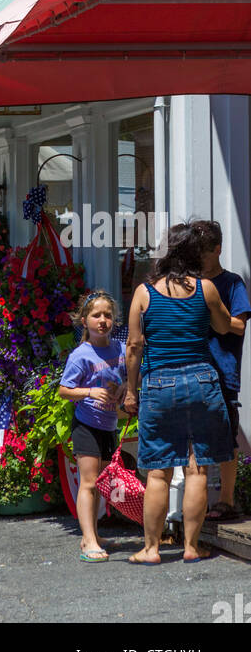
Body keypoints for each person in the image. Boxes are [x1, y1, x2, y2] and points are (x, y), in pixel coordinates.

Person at [125, 223, 234, 564]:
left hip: (159, 382)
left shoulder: (145, 293)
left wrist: (131, 391)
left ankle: (151, 549)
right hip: (202, 380)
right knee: (198, 469)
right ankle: (191, 547)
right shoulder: (206, 289)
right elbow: (222, 326)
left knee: (159, 472)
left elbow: (133, 346)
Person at [58, 290, 127, 561]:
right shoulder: (81, 355)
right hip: (86, 424)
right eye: (96, 315)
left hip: (109, 423)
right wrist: (89, 392)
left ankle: (95, 534)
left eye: (108, 316)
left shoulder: (120, 349)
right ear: (84, 320)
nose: (102, 320)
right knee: (88, 482)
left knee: (100, 483)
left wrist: (124, 388)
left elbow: (129, 375)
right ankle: (87, 540)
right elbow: (64, 390)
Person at [199, 220, 251, 520]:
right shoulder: (190, 282)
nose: (199, 260)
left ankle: (227, 500)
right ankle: (198, 501)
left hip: (224, 369)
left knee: (226, 437)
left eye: (204, 253)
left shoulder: (232, 283)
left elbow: (239, 325)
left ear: (217, 250)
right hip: (192, 370)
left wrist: (211, 316)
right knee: (197, 440)